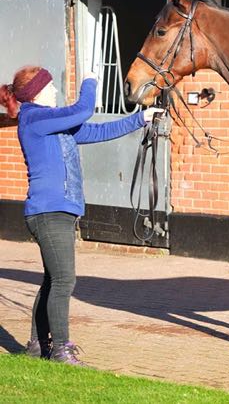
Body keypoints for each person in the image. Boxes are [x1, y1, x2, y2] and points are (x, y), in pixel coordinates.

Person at [0, 66, 163, 366]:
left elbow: (97, 131)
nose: (54, 91)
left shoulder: (53, 122)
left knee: (53, 280)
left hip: (58, 210)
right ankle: (61, 351)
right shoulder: (34, 118)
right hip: (49, 211)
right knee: (64, 280)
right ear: (35, 93)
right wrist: (90, 80)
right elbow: (83, 110)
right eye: (49, 87)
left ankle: (37, 346)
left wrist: (141, 119)